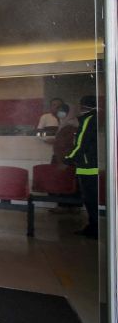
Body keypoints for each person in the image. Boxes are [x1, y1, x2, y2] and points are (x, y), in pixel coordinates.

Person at [64, 95, 98, 237]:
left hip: (87, 166)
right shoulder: (95, 119)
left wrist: (68, 158)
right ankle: (93, 226)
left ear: (83, 106)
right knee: (91, 198)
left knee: (90, 199)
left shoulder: (87, 120)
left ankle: (94, 228)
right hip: (91, 164)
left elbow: (81, 144)